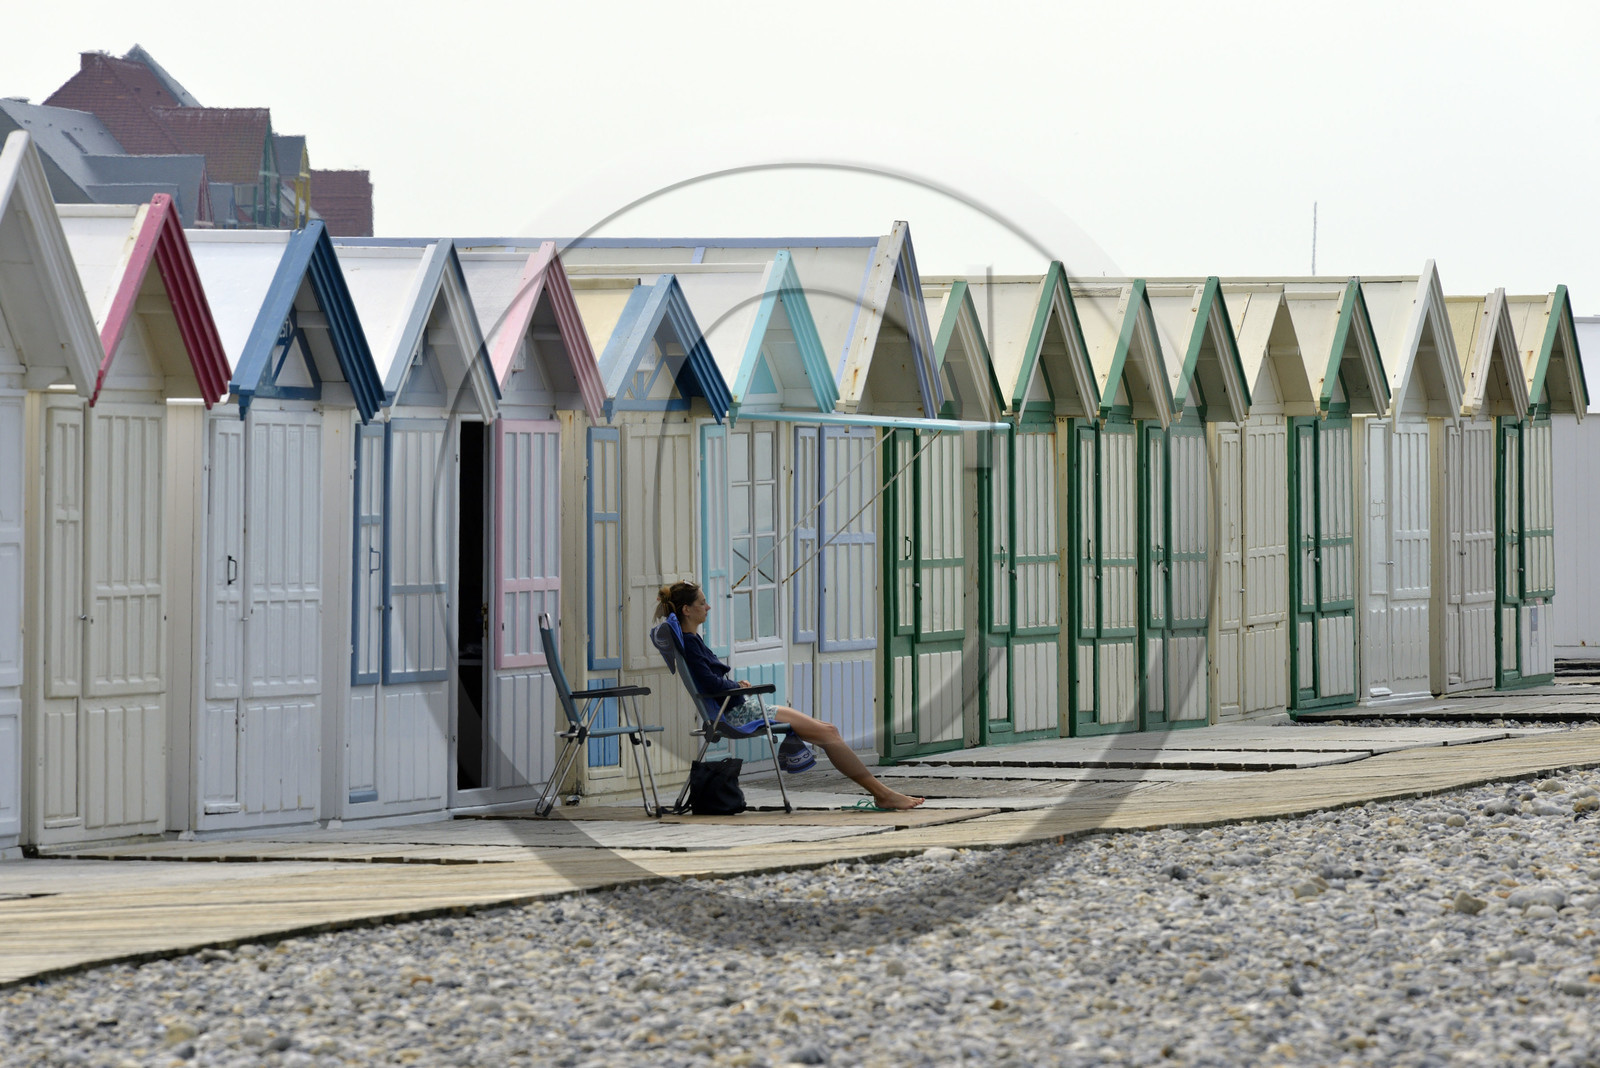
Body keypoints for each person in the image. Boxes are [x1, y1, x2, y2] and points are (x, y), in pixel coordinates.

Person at [655, 581, 925, 812]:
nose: (708, 607)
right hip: (737, 713)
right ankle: (882, 795)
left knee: (829, 731)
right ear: (687, 610)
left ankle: (882, 793)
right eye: (703, 603)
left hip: (738, 706)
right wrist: (735, 685)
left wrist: (733, 685)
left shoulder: (692, 640)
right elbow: (708, 683)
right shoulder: (690, 643)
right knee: (829, 733)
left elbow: (710, 681)